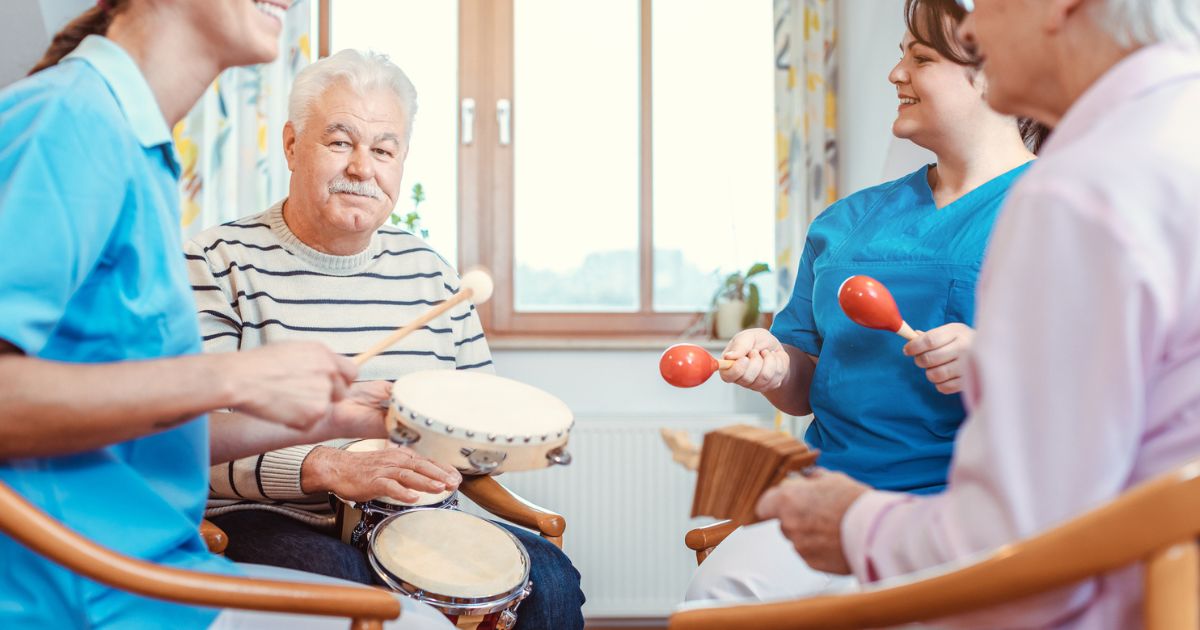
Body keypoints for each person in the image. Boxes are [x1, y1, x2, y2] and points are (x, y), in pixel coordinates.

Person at [0, 2, 453, 628]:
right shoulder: (69, 120)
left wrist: (330, 418)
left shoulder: (136, 146)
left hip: (166, 579)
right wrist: (234, 378)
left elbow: (145, 430)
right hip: (87, 600)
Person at [754, 0, 1200, 626]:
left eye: (979, 6)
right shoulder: (1171, 136)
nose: (971, 29)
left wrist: (853, 524)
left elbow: (1021, 554)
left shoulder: (1082, 187)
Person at [186, 49, 585, 630]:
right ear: (293, 145)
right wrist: (325, 466)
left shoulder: (430, 272)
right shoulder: (216, 262)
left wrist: (496, 442)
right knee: (355, 592)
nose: (362, 168)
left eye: (383, 149)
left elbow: (474, 420)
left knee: (550, 579)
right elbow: (185, 443)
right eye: (340, 142)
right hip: (271, 515)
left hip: (417, 519)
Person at [687, 0, 1043, 602]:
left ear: (990, 72)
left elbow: (1097, 384)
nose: (895, 73)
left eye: (921, 57)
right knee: (716, 597)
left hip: (967, 513)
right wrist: (775, 366)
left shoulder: (1053, 210)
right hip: (827, 495)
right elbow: (802, 384)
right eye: (900, 54)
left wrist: (996, 359)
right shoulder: (844, 222)